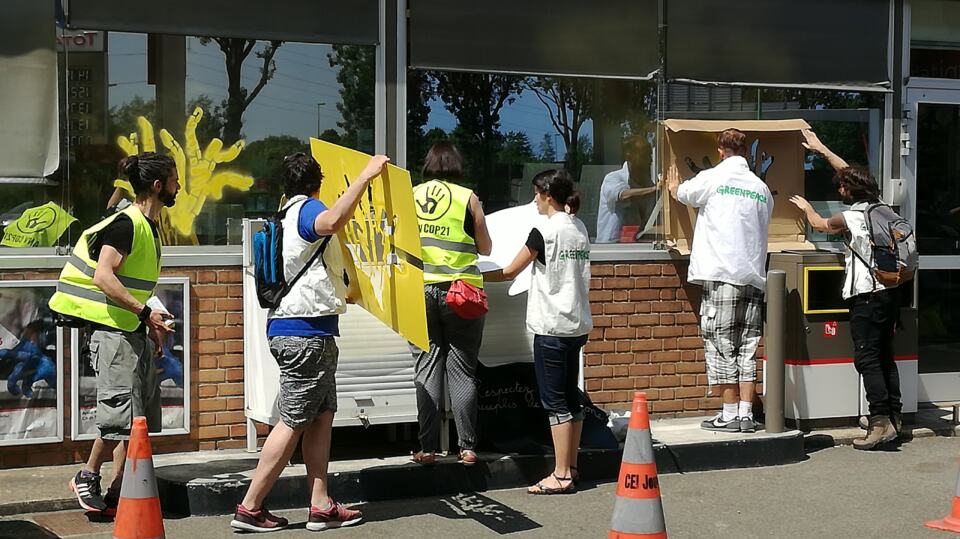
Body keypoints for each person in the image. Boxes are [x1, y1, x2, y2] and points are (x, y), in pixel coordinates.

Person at [230, 152, 388, 532]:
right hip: (306, 335)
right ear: (317, 183)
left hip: (301, 331)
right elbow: (332, 221)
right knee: (293, 420)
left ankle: (321, 505)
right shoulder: (307, 210)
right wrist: (365, 176)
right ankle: (250, 507)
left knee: (320, 417)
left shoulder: (285, 215)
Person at [49, 152, 178, 514]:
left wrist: (148, 326)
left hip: (129, 331)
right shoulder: (127, 223)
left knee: (136, 418)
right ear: (158, 185)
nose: (178, 185)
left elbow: (132, 286)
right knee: (119, 415)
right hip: (112, 334)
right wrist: (145, 314)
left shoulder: (148, 227)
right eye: (174, 179)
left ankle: (122, 489)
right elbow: (103, 276)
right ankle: (87, 475)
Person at [789, 129, 902, 450]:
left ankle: (879, 424)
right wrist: (821, 147)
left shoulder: (852, 217)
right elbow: (846, 171)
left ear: (850, 192)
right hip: (890, 292)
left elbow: (820, 226)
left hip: (866, 296)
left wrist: (806, 207)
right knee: (885, 357)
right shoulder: (881, 208)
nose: (839, 188)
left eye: (841, 186)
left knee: (867, 359)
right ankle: (894, 416)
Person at [489, 169, 592, 494]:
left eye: (536, 193)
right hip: (576, 324)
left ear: (549, 195)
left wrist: (472, 276)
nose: (533, 199)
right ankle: (571, 468)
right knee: (571, 399)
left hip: (550, 326)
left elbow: (508, 271)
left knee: (555, 402)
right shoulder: (579, 228)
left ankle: (560, 474)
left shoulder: (543, 232)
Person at [666, 128, 773, 433]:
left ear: (721, 151)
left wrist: (673, 186)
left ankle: (728, 414)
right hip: (753, 276)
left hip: (722, 273)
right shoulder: (759, 187)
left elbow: (685, 194)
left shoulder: (715, 177)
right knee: (748, 345)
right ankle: (745, 414)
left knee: (720, 344)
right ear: (746, 153)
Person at [411, 142, 492, 466]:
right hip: (462, 293)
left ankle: (427, 449)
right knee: (462, 372)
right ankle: (468, 447)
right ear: (456, 165)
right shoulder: (467, 197)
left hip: (420, 290)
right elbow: (485, 248)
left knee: (427, 368)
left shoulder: (411, 196)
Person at [596, 135, 659, 243]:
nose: (650, 160)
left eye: (650, 155)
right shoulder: (613, 178)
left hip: (636, 245)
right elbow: (623, 195)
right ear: (629, 156)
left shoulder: (647, 183)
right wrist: (653, 190)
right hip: (611, 248)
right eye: (644, 155)